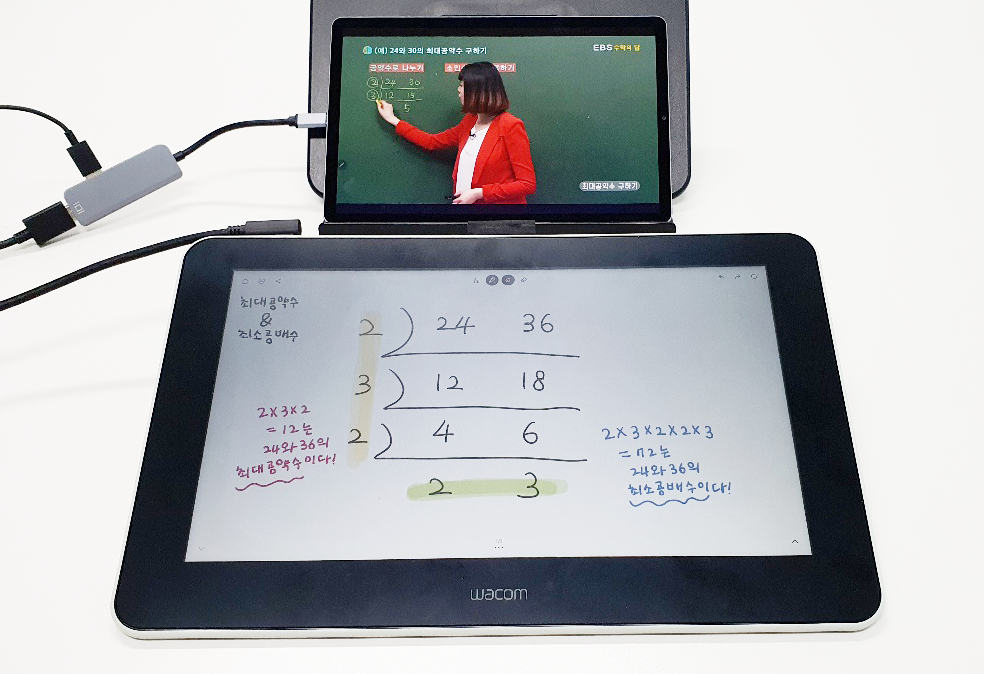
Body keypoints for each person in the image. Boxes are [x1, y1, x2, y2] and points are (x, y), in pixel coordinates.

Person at [375, 61, 535, 204]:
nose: (458, 90)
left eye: (462, 86)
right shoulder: (470, 121)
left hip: (498, 218)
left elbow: (527, 184)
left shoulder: (511, 126)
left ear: (478, 91)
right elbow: (432, 142)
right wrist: (393, 120)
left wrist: (479, 193)